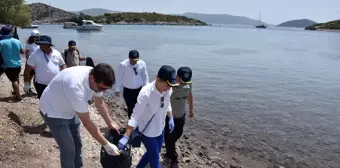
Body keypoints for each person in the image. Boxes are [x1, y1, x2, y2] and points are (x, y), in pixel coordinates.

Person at [39, 64, 121, 168]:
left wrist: (110, 123)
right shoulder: (76, 86)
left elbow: (99, 102)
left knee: (77, 145)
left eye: (106, 89)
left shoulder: (96, 76)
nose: (103, 91)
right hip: (53, 112)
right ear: (92, 78)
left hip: (71, 109)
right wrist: (107, 145)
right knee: (68, 150)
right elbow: (87, 123)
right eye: (101, 88)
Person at [118, 65, 178, 168]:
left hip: (160, 128)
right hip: (147, 132)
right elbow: (135, 115)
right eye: (167, 84)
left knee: (154, 152)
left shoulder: (168, 89)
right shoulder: (146, 93)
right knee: (155, 161)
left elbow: (167, 103)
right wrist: (126, 135)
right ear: (158, 78)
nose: (168, 88)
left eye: (170, 85)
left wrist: (171, 117)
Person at [164, 66, 194, 168]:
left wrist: (191, 109)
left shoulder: (188, 84)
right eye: (182, 80)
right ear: (177, 77)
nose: (184, 83)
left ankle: (169, 150)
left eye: (186, 81)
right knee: (169, 137)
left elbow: (189, 95)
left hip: (181, 115)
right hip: (169, 117)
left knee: (178, 134)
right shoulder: (170, 86)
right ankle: (173, 158)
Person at [115, 50, 149, 119]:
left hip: (139, 90)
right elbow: (118, 77)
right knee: (130, 108)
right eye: (133, 60)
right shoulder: (122, 65)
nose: (135, 62)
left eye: (136, 60)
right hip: (128, 91)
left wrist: (147, 88)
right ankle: (131, 124)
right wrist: (117, 89)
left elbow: (145, 76)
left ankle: (139, 123)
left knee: (140, 107)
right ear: (129, 58)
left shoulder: (142, 63)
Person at [0, 26, 24, 101]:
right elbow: (22, 52)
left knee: (13, 80)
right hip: (18, 64)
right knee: (16, 78)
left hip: (8, 65)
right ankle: (15, 92)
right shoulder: (17, 41)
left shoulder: (1, 43)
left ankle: (18, 96)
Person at [24, 29, 40, 94]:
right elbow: (27, 53)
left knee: (37, 76)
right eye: (35, 37)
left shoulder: (40, 43)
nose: (37, 38)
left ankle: (38, 90)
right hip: (30, 63)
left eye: (38, 37)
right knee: (29, 76)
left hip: (38, 63)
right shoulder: (29, 44)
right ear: (32, 37)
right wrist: (28, 62)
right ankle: (28, 89)